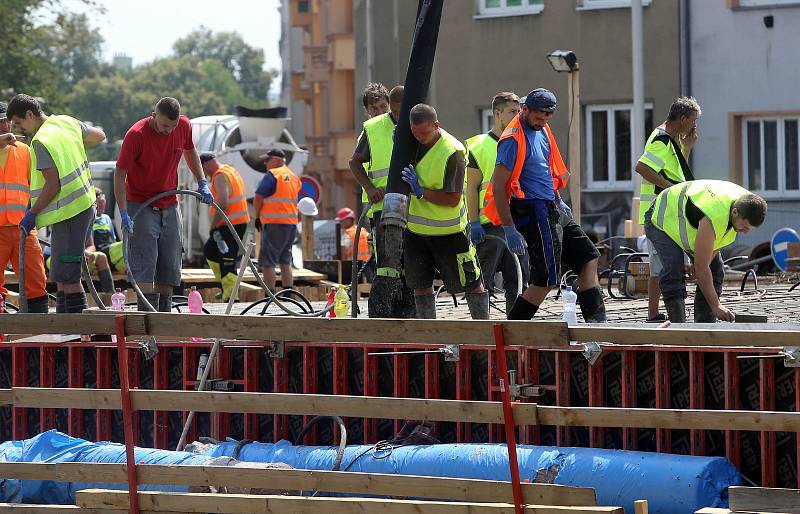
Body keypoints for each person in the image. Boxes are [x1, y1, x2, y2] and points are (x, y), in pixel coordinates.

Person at [483, 88, 607, 323]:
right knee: (546, 278)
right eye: (538, 118)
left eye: (546, 117)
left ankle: (596, 323)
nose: (542, 122)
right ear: (525, 109)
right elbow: (499, 187)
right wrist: (509, 228)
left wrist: (558, 198)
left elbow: (545, 168)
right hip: (532, 210)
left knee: (588, 256)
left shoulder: (543, 129)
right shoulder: (512, 139)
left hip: (551, 205)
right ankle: (514, 328)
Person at [7, 94, 105, 313]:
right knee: (61, 274)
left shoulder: (41, 141)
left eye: (19, 123)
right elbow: (100, 136)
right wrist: (72, 145)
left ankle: (78, 335)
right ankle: (67, 332)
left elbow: (53, 185)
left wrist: (32, 213)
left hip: (70, 214)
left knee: (68, 277)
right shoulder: (65, 121)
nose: (19, 129)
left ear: (30, 114)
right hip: (83, 207)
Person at [114, 97, 213, 312]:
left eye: (173, 126)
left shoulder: (184, 126)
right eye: (164, 125)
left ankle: (164, 322)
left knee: (169, 263)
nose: (168, 131)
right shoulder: (136, 135)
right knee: (145, 262)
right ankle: (147, 324)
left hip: (170, 203)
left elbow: (190, 151)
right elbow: (120, 173)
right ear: (153, 115)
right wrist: (123, 211)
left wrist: (202, 182)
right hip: (141, 203)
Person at [400, 103, 489, 320]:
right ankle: (428, 335)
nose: (419, 137)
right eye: (415, 133)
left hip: (450, 233)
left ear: (436, 125)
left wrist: (421, 191)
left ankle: (483, 330)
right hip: (417, 232)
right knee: (420, 283)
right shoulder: (410, 141)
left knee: (470, 282)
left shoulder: (453, 152)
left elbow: (452, 199)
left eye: (424, 133)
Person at [644, 180, 766, 323]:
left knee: (716, 269)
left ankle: (705, 326)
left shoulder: (748, 205)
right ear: (735, 212)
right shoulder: (714, 216)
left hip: (683, 216)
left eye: (749, 229)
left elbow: (713, 249)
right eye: (744, 227)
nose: (745, 232)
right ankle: (679, 327)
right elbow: (701, 268)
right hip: (661, 215)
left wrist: (700, 265)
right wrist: (716, 305)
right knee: (674, 268)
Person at [635, 97, 701, 322]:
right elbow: (642, 167)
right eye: (693, 121)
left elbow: (676, 170)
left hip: (667, 212)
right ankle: (653, 314)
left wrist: (687, 148)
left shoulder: (670, 140)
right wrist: (670, 188)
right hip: (657, 213)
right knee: (660, 265)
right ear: (682, 119)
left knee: (664, 264)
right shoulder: (661, 140)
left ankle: (657, 312)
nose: (694, 126)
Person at [465, 92, 530, 314]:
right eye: (513, 111)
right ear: (497, 113)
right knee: (482, 281)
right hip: (489, 227)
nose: (517, 116)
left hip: (518, 224)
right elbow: (471, 188)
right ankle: (483, 330)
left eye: (519, 112)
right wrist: (473, 222)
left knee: (519, 280)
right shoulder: (478, 146)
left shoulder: (523, 140)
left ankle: (514, 328)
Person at [0, 101, 48, 312]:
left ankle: (39, 338)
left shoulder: (25, 151)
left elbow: (39, 186)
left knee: (36, 282)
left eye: (7, 122)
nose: (4, 126)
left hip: (23, 227)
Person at [349, 83, 404, 221]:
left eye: (383, 106)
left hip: (405, 200)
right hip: (379, 204)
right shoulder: (369, 132)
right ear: (367, 110)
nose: (379, 112)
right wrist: (370, 188)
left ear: (389, 104)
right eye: (374, 108)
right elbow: (354, 162)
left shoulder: (403, 125)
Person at [200, 153, 250, 301]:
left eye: (202, 169)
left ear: (206, 164)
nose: (203, 173)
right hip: (233, 224)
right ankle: (225, 288)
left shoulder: (220, 176)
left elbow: (223, 203)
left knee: (227, 259)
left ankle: (231, 297)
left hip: (230, 225)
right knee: (210, 251)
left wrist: (213, 225)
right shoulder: (229, 170)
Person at [253, 149, 301, 292]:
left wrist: (257, 216)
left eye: (268, 159)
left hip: (274, 224)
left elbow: (258, 197)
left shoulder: (273, 175)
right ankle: (288, 293)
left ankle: (270, 295)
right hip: (291, 224)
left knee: (268, 262)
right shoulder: (294, 177)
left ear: (277, 160)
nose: (265, 163)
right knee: (285, 261)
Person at [84, 187, 123, 293]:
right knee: (127, 244)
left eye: (103, 201)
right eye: (99, 202)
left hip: (111, 252)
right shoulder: (88, 219)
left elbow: (113, 240)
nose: (102, 205)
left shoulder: (106, 218)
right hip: (100, 252)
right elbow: (89, 244)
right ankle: (110, 294)